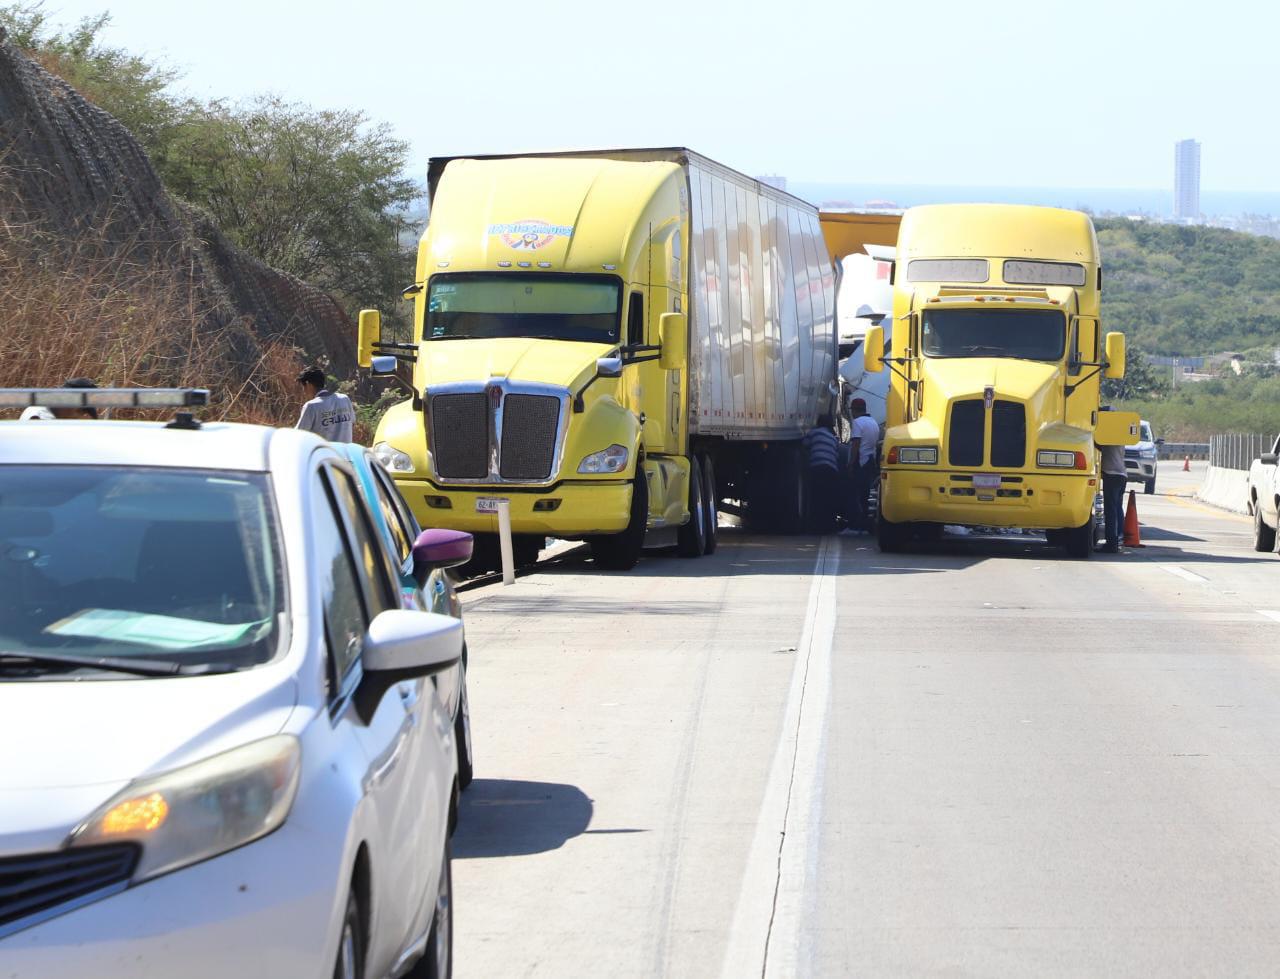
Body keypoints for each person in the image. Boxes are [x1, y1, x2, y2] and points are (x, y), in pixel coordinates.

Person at [847, 397, 880, 532]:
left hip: (860, 462)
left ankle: (857, 525)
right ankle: (866, 524)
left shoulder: (857, 423)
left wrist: (850, 463)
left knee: (855, 494)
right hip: (870, 461)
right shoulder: (873, 422)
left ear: (855, 410)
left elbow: (856, 444)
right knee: (865, 494)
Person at [295, 367, 354, 443]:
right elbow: (352, 424)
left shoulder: (311, 406)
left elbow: (298, 435)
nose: (304, 392)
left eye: (303, 387)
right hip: (345, 453)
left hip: (324, 454)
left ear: (308, 384)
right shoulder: (344, 399)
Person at [803, 414, 840, 533]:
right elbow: (836, 455)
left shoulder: (815, 432)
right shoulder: (833, 438)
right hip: (831, 470)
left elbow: (805, 444)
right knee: (828, 498)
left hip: (817, 468)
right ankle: (829, 525)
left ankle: (815, 526)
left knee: (816, 497)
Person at [1098, 411, 1128, 553]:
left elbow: (1097, 444)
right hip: (1122, 474)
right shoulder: (1120, 434)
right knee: (1117, 508)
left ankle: (1111, 543)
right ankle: (1119, 538)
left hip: (1112, 474)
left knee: (1110, 511)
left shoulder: (1109, 435)